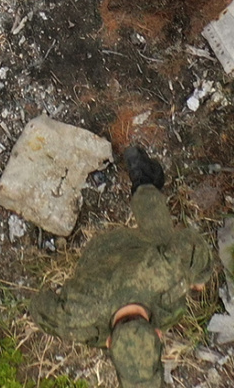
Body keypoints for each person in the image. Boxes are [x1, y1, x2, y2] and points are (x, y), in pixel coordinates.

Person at [27, 149, 213, 388]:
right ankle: (144, 181)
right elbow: (40, 307)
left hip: (114, 251)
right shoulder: (75, 319)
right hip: (100, 255)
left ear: (158, 335)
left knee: (161, 239)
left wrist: (199, 276)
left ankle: (146, 182)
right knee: (161, 243)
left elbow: (192, 246)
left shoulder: (163, 274)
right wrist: (72, 302)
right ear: (109, 344)